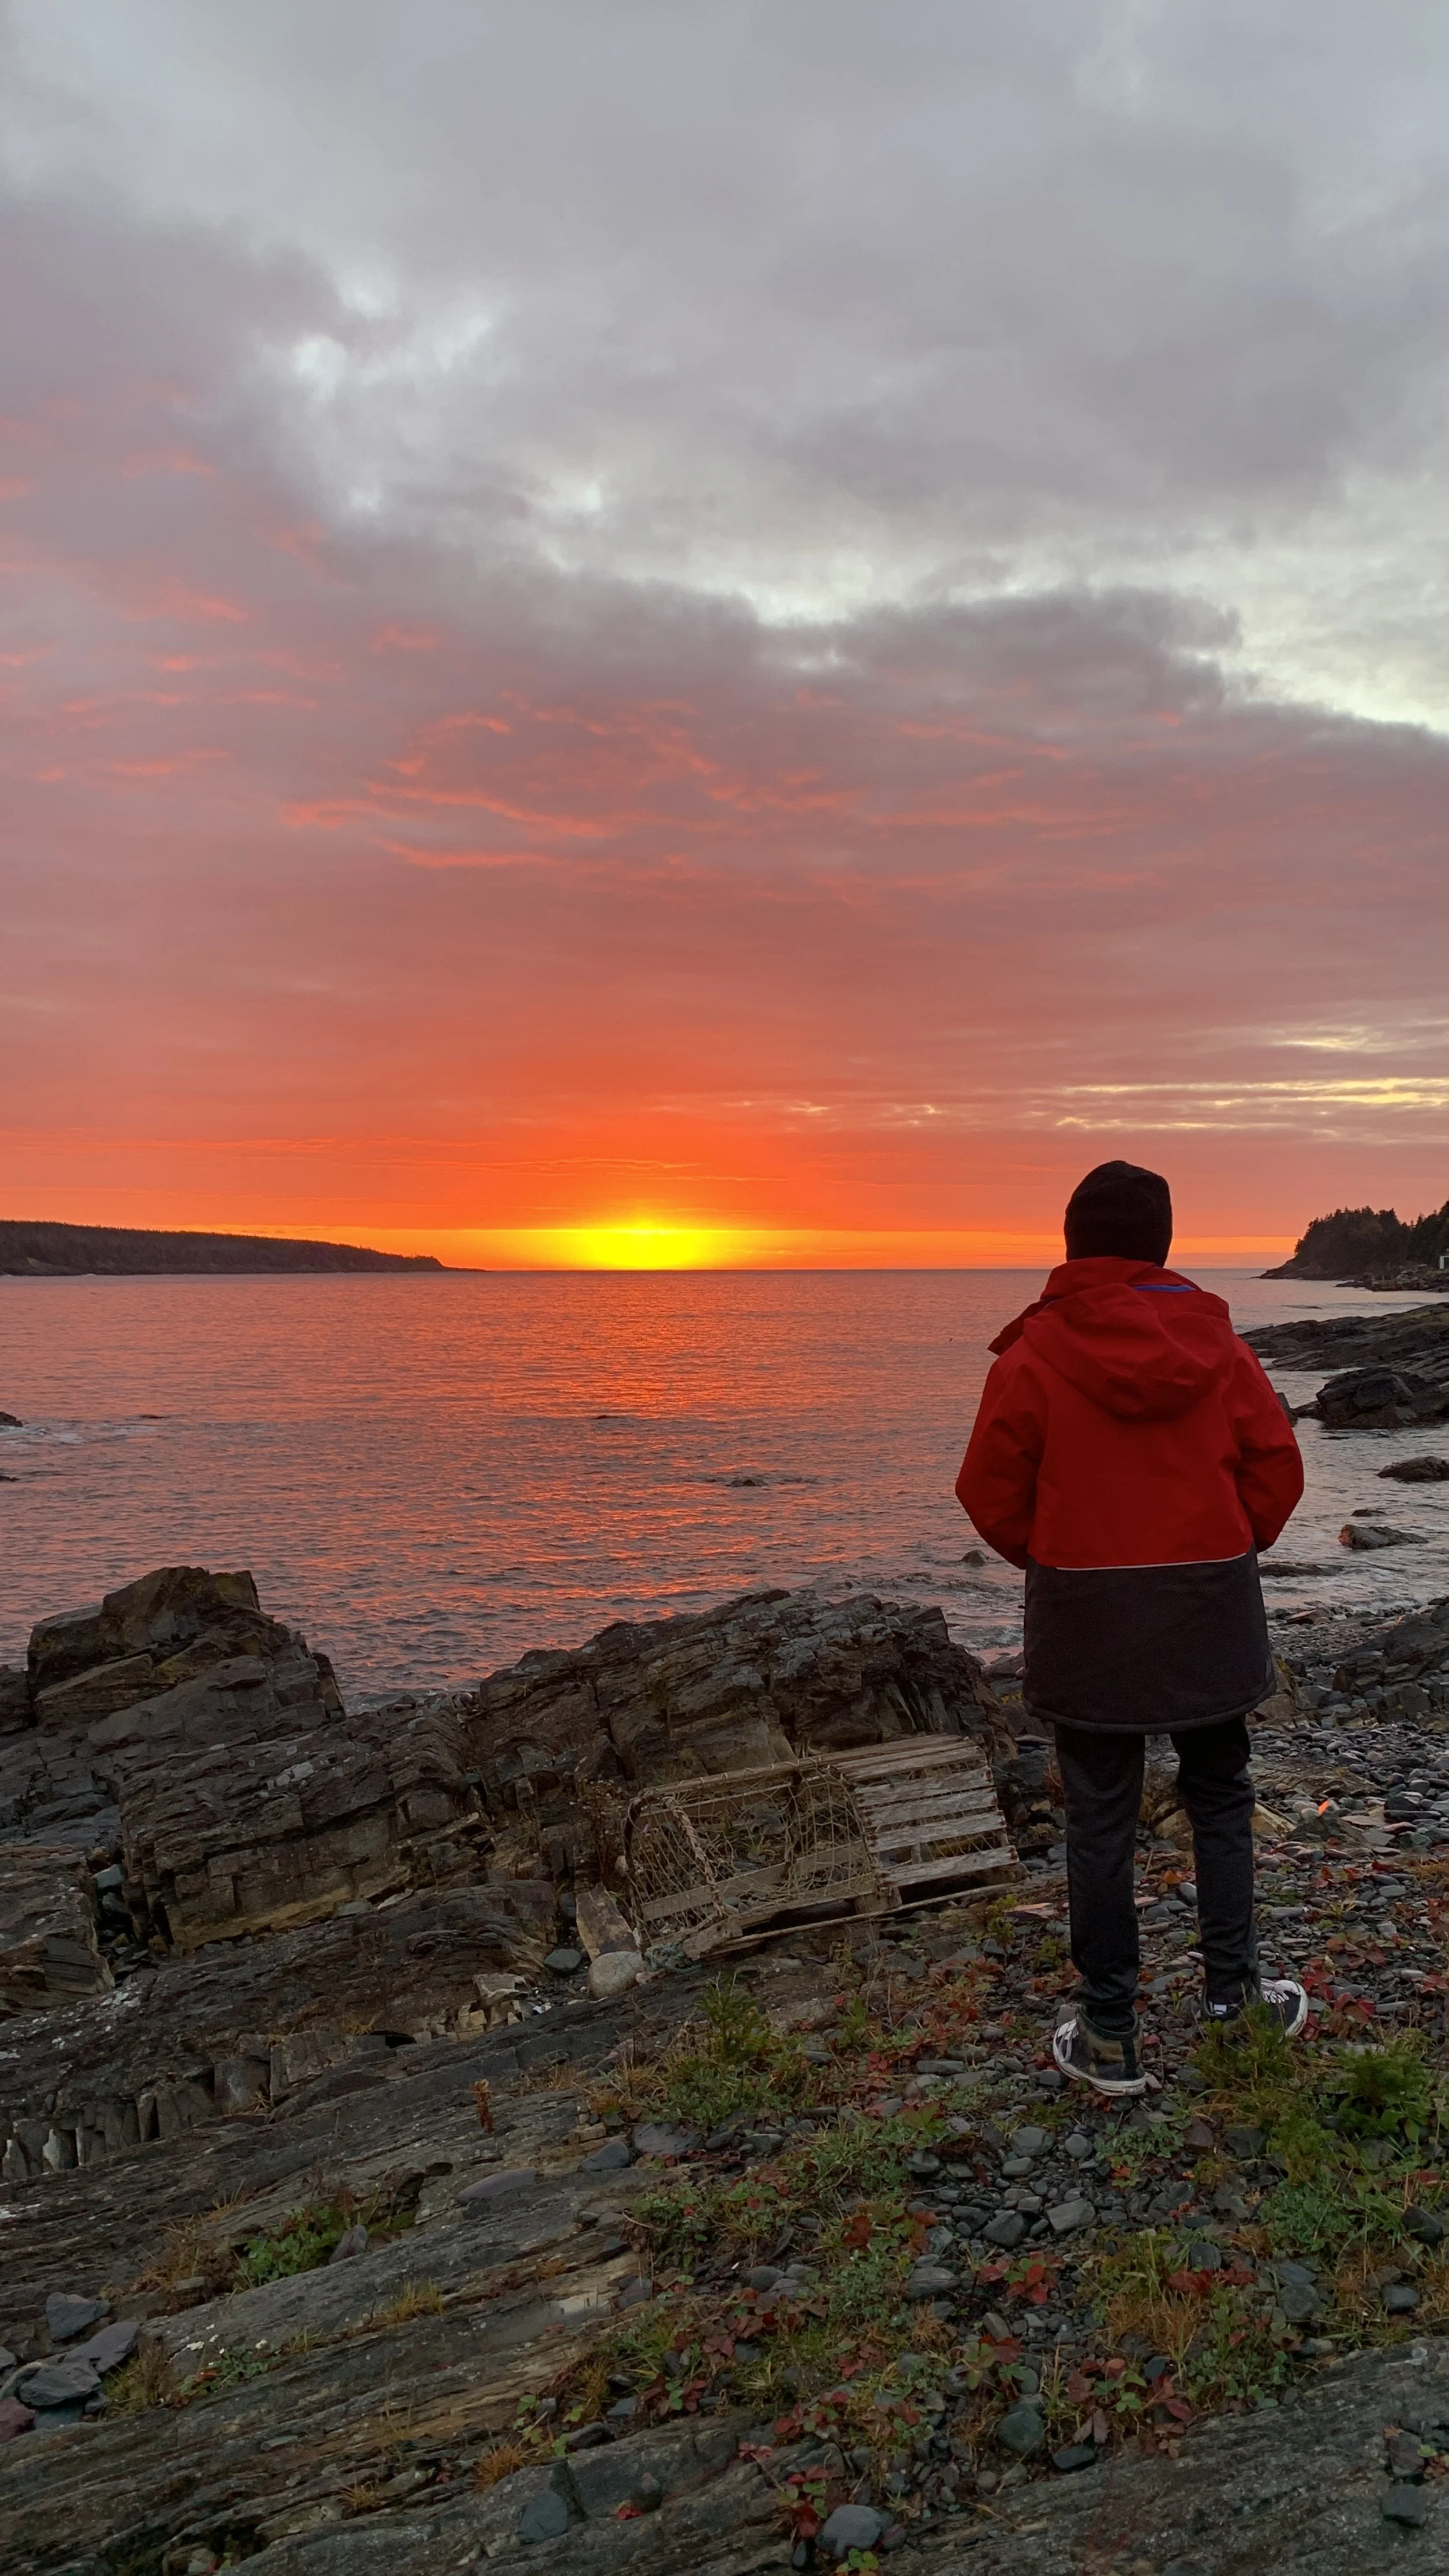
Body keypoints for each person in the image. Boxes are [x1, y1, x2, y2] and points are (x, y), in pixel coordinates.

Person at [956, 1160, 1306, 2095]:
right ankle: (1233, 2002)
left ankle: (1111, 2032)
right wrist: (1232, 1546)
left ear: (1072, 1242)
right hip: (1207, 1604)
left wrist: (1058, 1555)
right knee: (1221, 1796)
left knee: (1102, 1817)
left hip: (1088, 1612)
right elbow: (1275, 1468)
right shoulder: (1219, 1347)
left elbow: (987, 1493)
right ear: (1163, 1244)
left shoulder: (1032, 1355)